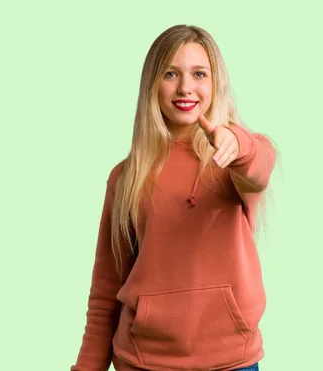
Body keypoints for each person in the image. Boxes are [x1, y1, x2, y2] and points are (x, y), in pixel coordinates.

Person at [70, 24, 277, 371]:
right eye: (171, 73)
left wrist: (237, 144)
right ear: (153, 83)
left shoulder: (235, 158)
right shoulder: (126, 176)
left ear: (215, 83)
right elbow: (106, 290)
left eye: (199, 74)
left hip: (231, 362)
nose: (185, 87)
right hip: (143, 361)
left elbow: (260, 166)